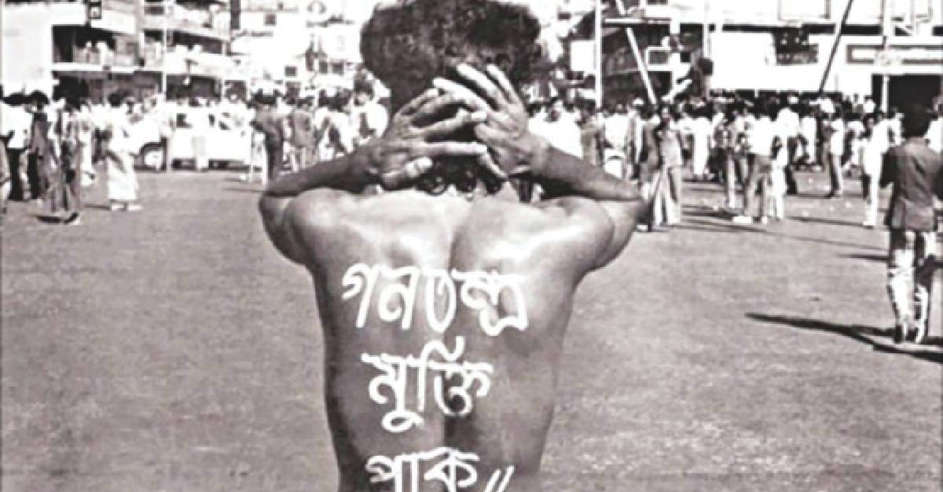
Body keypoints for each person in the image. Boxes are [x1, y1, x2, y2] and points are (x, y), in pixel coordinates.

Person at [258, 1, 647, 490]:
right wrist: (540, 156)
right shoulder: (552, 235)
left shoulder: (339, 225)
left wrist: (362, 161)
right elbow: (627, 200)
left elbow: (276, 197)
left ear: (400, 109)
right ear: (507, 107)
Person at [879, 105, 943, 344]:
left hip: (901, 216)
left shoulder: (895, 153)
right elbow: (941, 192)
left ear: (905, 126)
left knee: (898, 271)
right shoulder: (936, 157)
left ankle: (902, 316)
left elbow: (884, 181)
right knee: (923, 275)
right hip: (926, 219)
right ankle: (921, 325)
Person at [733, 102, 777, 225]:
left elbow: (748, 142)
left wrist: (742, 146)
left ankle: (747, 213)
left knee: (750, 185)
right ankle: (763, 214)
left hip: (756, 155)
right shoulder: (772, 125)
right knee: (764, 185)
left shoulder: (755, 125)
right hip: (767, 155)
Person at [102, 92, 141, 211]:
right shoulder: (121, 116)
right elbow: (128, 131)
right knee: (127, 173)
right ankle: (128, 203)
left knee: (113, 175)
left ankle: (113, 202)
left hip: (109, 146)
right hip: (120, 147)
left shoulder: (107, 115)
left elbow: (102, 130)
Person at [859, 114, 889, 228]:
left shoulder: (879, 135)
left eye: (872, 123)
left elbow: (884, 150)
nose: (869, 126)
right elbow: (859, 152)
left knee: (873, 192)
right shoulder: (862, 137)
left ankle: (872, 219)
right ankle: (867, 217)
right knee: (866, 193)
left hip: (875, 166)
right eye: (868, 123)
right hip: (864, 166)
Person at [351, 80, 389, 148]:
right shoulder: (355, 110)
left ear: (368, 95)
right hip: (358, 145)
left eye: (360, 94)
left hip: (373, 144)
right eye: (356, 94)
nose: (357, 97)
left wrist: (369, 142)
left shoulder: (378, 109)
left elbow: (378, 131)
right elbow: (353, 128)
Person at [824, 108, 846, 198]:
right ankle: (834, 189)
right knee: (832, 171)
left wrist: (829, 121)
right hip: (832, 148)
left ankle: (839, 189)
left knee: (836, 170)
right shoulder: (835, 122)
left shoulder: (839, 122)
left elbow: (829, 127)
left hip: (836, 149)